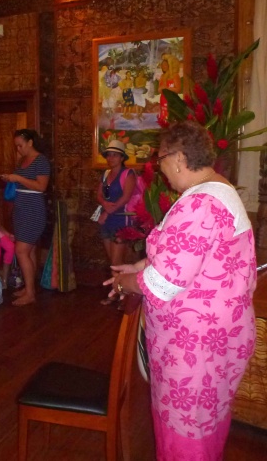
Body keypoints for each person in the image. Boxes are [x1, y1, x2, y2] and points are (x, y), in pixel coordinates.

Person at [106, 121, 256, 460]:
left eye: (160, 159)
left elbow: (163, 283)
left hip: (194, 347)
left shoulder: (198, 204)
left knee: (186, 435)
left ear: (178, 158)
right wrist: (140, 265)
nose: (160, 169)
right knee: (206, 424)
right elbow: (194, 257)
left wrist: (123, 282)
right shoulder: (222, 192)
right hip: (220, 336)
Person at [1, 129, 50, 307]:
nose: (18, 149)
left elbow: (41, 186)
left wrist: (18, 178)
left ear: (30, 142)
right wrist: (11, 179)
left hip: (33, 211)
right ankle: (30, 288)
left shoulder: (41, 161)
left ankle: (30, 293)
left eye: (20, 145)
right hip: (21, 210)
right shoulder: (22, 161)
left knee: (21, 251)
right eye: (16, 146)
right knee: (28, 251)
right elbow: (21, 182)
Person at [97, 140, 136, 306]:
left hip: (121, 220)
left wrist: (107, 211)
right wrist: (104, 204)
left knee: (116, 262)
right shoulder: (106, 174)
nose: (111, 158)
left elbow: (126, 197)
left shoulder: (128, 174)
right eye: (109, 155)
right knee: (113, 262)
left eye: (114, 155)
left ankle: (119, 296)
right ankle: (120, 294)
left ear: (121, 157)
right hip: (108, 221)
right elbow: (99, 194)